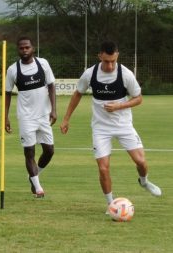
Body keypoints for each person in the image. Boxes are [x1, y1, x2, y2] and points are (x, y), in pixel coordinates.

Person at [60, 41, 161, 211]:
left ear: (117, 56)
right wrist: (66, 119)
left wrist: (119, 106)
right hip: (100, 128)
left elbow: (139, 98)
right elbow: (78, 94)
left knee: (141, 162)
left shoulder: (125, 74)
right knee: (103, 168)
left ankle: (144, 182)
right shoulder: (90, 74)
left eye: (113, 61)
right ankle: (111, 204)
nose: (110, 65)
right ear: (100, 56)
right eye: (107, 61)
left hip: (123, 125)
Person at [5, 36, 57, 198]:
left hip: (43, 116)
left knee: (49, 151)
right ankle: (37, 187)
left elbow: (51, 86)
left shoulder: (43, 64)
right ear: (18, 50)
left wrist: (53, 109)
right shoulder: (13, 70)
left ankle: (34, 176)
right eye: (21, 48)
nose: (25, 50)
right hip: (26, 117)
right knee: (30, 152)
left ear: (32, 48)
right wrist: (5, 117)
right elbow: (7, 94)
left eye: (27, 47)